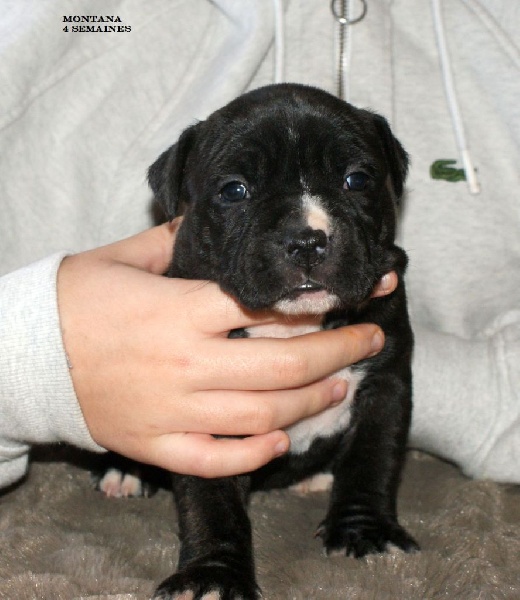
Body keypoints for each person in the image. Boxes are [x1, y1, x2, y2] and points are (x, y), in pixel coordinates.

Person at [0, 0, 518, 488]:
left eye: (357, 181)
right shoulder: (76, 20)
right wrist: (37, 361)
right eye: (235, 191)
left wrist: (368, 367)